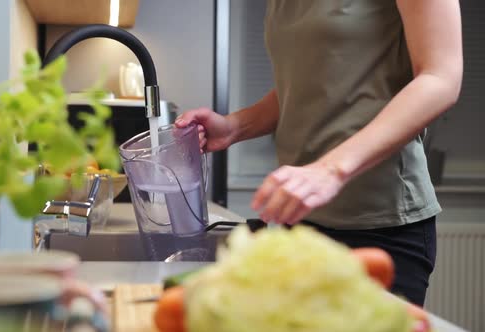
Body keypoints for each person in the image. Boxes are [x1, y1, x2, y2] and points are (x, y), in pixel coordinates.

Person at [175, 0, 463, 307]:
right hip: (303, 223)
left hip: (381, 225)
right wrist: (234, 127)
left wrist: (331, 170)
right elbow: (308, 83)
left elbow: (440, 77)